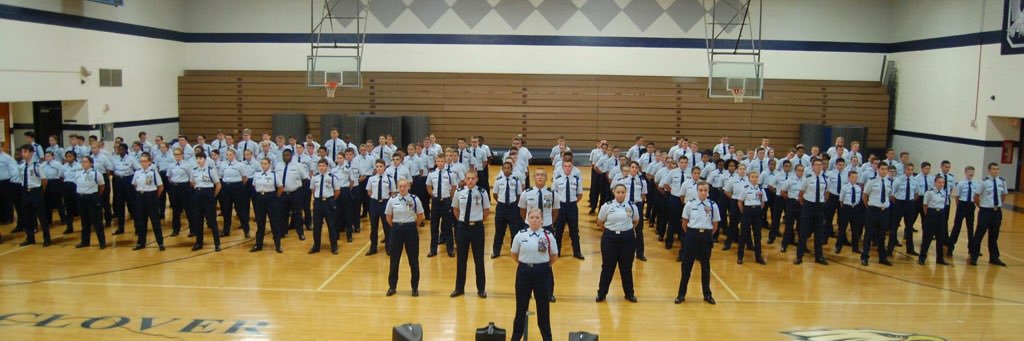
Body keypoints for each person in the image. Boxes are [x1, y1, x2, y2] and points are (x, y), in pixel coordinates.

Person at [510, 208, 558, 341]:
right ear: (527, 220)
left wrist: (542, 266)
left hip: (542, 274)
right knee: (521, 308)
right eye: (532, 217)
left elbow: (554, 255)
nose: (535, 220)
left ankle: (547, 338)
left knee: (543, 309)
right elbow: (514, 254)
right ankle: (516, 337)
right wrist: (526, 264)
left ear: (542, 220)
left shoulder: (548, 235)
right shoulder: (520, 235)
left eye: (537, 218)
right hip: (524, 273)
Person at [519, 168, 559, 303]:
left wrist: (546, 223)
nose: (540, 177)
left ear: (546, 178)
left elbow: (555, 211)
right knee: (529, 258)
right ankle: (528, 291)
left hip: (545, 228)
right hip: (530, 228)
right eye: (537, 175)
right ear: (534, 177)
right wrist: (531, 223)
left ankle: (549, 292)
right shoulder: (526, 193)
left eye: (542, 175)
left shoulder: (552, 194)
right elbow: (523, 211)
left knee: (546, 261)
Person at [676, 181, 719, 305]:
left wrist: (706, 234)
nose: (703, 193)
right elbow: (684, 223)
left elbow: (715, 225)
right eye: (701, 190)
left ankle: (707, 294)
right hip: (692, 235)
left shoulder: (713, 205)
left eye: (705, 190)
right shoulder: (690, 204)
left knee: (705, 266)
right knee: (686, 266)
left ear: (708, 191)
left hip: (706, 236)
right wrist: (692, 234)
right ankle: (681, 294)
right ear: (697, 191)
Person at [595, 184, 639, 303]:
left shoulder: (632, 206)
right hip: (610, 239)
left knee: (626, 268)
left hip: (627, 239)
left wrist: (626, 230)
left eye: (622, 192)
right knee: (607, 267)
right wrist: (610, 231)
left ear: (626, 193)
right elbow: (600, 221)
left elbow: (636, 221)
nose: (620, 195)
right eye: (618, 192)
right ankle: (601, 293)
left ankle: (629, 294)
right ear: (614, 192)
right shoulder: (607, 206)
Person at [451, 170, 490, 298]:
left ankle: (481, 289)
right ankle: (459, 288)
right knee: (461, 259)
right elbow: (456, 209)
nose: (470, 181)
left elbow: (486, 211)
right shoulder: (459, 192)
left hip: (477, 228)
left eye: (473, 178)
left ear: (477, 179)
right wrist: (464, 221)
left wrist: (476, 221)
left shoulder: (482, 192)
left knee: (479, 260)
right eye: (468, 178)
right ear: (465, 179)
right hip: (462, 228)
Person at [385, 179, 425, 297]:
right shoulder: (392, 200)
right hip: (396, 230)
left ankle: (415, 287)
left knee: (413, 260)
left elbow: (420, 216)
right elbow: (388, 217)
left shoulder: (414, 199)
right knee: (394, 260)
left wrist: (413, 226)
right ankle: (392, 286)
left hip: (411, 230)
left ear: (408, 187)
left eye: (404, 186)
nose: (402, 188)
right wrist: (396, 227)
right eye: (400, 186)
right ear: (397, 187)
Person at [970, 162, 1008, 266]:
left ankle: (994, 258)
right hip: (985, 212)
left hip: (996, 212)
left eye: (997, 169)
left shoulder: (1002, 181)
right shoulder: (984, 182)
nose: (996, 171)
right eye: (994, 169)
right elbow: (976, 197)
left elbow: (1004, 195)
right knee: (979, 234)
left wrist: (997, 205)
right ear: (989, 170)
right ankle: (974, 257)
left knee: (994, 236)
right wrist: (982, 206)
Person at [796, 159, 829, 265]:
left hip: (819, 207)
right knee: (804, 233)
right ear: (812, 166)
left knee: (819, 233)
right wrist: (805, 205)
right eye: (816, 165)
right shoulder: (808, 178)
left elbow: (826, 193)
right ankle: (799, 257)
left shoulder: (825, 179)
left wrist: (822, 203)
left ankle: (819, 257)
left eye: (820, 165)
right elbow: (801, 194)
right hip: (808, 206)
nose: (818, 167)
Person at [614, 161, 648, 261]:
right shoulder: (623, 180)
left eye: (636, 167)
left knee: (639, 230)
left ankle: (640, 253)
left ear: (638, 169)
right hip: (626, 207)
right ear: (629, 168)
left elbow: (643, 194)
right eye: (632, 167)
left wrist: (638, 204)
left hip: (637, 206)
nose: (634, 169)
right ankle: (621, 251)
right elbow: (618, 193)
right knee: (624, 227)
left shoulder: (642, 181)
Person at [861, 165, 893, 266]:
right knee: (869, 234)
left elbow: (889, 196)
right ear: (878, 169)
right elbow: (865, 195)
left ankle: (882, 257)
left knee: (882, 235)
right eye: (882, 169)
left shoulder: (888, 182)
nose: (884, 171)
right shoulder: (872, 181)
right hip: (873, 210)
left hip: (884, 211)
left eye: (886, 169)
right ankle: (864, 257)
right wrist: (869, 207)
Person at [18, 145, 50, 246]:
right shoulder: (21, 165)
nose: (23, 154)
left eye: (25, 152)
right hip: (25, 192)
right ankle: (30, 237)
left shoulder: (37, 165)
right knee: (27, 216)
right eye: (22, 152)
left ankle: (47, 238)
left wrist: (41, 191)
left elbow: (44, 180)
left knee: (41, 216)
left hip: (35, 191)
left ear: (31, 153)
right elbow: (21, 179)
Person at [131, 153, 165, 251]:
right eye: (141, 161)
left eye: (145, 161)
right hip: (140, 196)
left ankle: (160, 243)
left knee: (155, 221)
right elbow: (134, 184)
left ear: (149, 162)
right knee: (141, 221)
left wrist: (154, 196)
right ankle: (141, 242)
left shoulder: (153, 173)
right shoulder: (137, 172)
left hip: (151, 196)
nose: (143, 163)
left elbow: (160, 187)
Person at [552, 161, 584, 260]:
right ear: (562, 167)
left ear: (572, 167)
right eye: (565, 166)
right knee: (558, 231)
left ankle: (577, 253)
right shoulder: (557, 179)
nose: (567, 168)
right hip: (560, 207)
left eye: (569, 166)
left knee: (574, 231)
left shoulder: (576, 179)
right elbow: (553, 194)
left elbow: (580, 194)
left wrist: (572, 202)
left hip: (572, 207)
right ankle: (557, 252)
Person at [426, 157, 457, 257]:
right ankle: (433, 250)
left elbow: (454, 187)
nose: (440, 163)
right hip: (435, 202)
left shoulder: (450, 174)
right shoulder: (431, 174)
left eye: (442, 161)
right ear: (436, 162)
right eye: (438, 161)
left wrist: (449, 197)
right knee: (434, 227)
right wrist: (433, 196)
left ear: (445, 162)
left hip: (446, 201)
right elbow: (428, 186)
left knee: (448, 226)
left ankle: (450, 249)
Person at [190, 152, 222, 252]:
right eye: (197, 158)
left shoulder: (211, 170)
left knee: (212, 221)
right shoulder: (194, 170)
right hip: (198, 194)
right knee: (198, 220)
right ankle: (199, 243)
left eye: (200, 158)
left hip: (208, 194)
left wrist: (212, 196)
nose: (198, 160)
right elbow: (192, 182)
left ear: (205, 159)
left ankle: (217, 244)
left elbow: (218, 185)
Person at [251, 157, 283, 253]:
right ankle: (258, 244)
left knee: (274, 222)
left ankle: (278, 245)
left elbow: (281, 188)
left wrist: (274, 197)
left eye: (265, 164)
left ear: (269, 164)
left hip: (271, 198)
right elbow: (254, 185)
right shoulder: (257, 174)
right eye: (262, 163)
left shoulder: (274, 174)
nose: (263, 165)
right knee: (260, 222)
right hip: (260, 198)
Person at [310, 159, 341, 255]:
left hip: (328, 202)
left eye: (323, 166)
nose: (321, 168)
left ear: (327, 166)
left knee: (331, 225)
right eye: (319, 166)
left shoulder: (332, 177)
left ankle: (334, 246)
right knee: (316, 226)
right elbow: (313, 189)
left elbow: (337, 191)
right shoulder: (315, 177)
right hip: (318, 203)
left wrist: (330, 199)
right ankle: (316, 246)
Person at [74, 156, 106, 249]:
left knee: (97, 221)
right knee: (84, 221)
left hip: (92, 197)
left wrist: (96, 196)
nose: (83, 163)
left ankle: (102, 242)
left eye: (86, 161)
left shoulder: (96, 173)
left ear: (91, 163)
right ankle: (85, 241)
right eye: (82, 161)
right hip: (81, 197)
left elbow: (102, 186)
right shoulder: (78, 173)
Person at [736, 171, 767, 265]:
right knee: (743, 234)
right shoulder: (745, 188)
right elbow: (740, 202)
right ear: (749, 178)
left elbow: (763, 202)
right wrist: (745, 212)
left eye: (756, 177)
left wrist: (757, 210)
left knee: (757, 235)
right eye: (752, 177)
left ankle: (758, 256)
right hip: (747, 211)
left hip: (757, 211)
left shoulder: (760, 188)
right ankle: (740, 256)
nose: (754, 178)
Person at [277, 149, 308, 240]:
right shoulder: (279, 165)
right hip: (283, 194)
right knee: (282, 214)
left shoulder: (298, 165)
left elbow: (304, 179)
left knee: (297, 214)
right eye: (284, 155)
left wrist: (297, 187)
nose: (285, 157)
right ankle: (283, 232)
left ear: (291, 156)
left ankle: (300, 233)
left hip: (295, 193)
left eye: (287, 155)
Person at [366, 159, 395, 256]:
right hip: (374, 203)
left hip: (385, 203)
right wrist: (375, 198)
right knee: (373, 227)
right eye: (377, 166)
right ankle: (373, 247)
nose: (379, 168)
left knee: (387, 227)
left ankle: (389, 248)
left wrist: (386, 200)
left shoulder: (390, 179)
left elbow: (393, 192)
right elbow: (369, 191)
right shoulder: (371, 179)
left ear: (384, 167)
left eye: (381, 166)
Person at [219, 149, 251, 238]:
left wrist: (238, 186)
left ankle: (246, 231)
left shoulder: (239, 165)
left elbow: (244, 178)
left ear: (234, 155)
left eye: (230, 154)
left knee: (240, 210)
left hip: (237, 187)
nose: (228, 156)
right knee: (226, 210)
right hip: (226, 187)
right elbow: (221, 175)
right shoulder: (223, 164)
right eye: (227, 154)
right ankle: (226, 231)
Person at [918, 176, 950, 265]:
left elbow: (946, 204)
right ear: (935, 183)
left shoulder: (945, 193)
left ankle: (940, 258)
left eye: (943, 182)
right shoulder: (929, 192)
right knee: (927, 237)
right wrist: (928, 215)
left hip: (941, 214)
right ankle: (922, 257)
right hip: (932, 213)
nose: (941, 184)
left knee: (940, 237)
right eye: (939, 182)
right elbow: (925, 205)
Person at [111, 143, 140, 235]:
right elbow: (111, 169)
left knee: (132, 204)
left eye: (122, 149)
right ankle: (120, 228)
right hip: (118, 181)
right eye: (119, 149)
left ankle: (137, 227)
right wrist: (115, 174)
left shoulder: (131, 158)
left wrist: (134, 180)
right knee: (119, 205)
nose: (120, 151)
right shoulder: (115, 158)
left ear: (126, 150)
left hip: (128, 180)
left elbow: (138, 169)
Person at [949, 165, 978, 256]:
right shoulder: (961, 184)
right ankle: (950, 247)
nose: (971, 173)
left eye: (972, 172)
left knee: (970, 228)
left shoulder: (976, 184)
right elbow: (957, 197)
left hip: (971, 206)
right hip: (962, 205)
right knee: (957, 227)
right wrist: (959, 207)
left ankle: (971, 248)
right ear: (965, 173)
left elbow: (976, 196)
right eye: (969, 171)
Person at [892, 163, 920, 256]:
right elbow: (892, 193)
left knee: (909, 227)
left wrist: (911, 201)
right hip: (899, 203)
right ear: (905, 170)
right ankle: (890, 248)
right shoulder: (898, 180)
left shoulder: (915, 181)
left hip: (910, 204)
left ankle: (910, 249)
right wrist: (897, 202)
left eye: (912, 170)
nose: (910, 171)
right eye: (908, 169)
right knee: (894, 225)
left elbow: (916, 193)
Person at [835, 171, 863, 254]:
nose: (854, 179)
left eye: (856, 177)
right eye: (852, 177)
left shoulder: (858, 188)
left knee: (855, 229)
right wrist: (845, 208)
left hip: (855, 209)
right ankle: (838, 246)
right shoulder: (844, 187)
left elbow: (859, 199)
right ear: (849, 177)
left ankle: (855, 247)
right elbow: (841, 200)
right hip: (846, 208)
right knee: (842, 229)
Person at [59, 151, 82, 234]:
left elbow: (81, 176)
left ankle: (84, 226)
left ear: (74, 157)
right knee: (68, 208)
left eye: (70, 156)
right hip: (67, 187)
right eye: (67, 157)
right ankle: (69, 227)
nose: (68, 158)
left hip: (76, 186)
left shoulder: (79, 166)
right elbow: (61, 177)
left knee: (80, 207)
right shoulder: (64, 166)